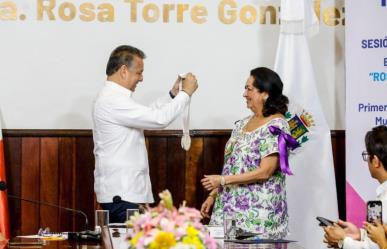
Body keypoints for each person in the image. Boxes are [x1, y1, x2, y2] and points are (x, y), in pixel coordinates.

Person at [92, 45, 198, 223]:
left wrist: (173, 95)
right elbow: (158, 119)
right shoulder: (112, 100)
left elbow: (147, 113)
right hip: (122, 194)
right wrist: (185, 94)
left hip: (125, 193)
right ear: (124, 71)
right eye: (139, 72)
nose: (141, 78)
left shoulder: (115, 98)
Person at [200, 67, 299, 239]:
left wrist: (222, 180)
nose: (244, 94)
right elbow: (233, 167)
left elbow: (265, 171)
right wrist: (213, 194)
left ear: (265, 94)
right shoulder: (241, 124)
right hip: (228, 212)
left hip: (258, 217)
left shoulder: (277, 126)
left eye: (249, 89)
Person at [324, 125, 387, 249]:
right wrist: (360, 235)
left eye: (367, 155)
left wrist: (343, 241)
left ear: (375, 161)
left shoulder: (384, 203)